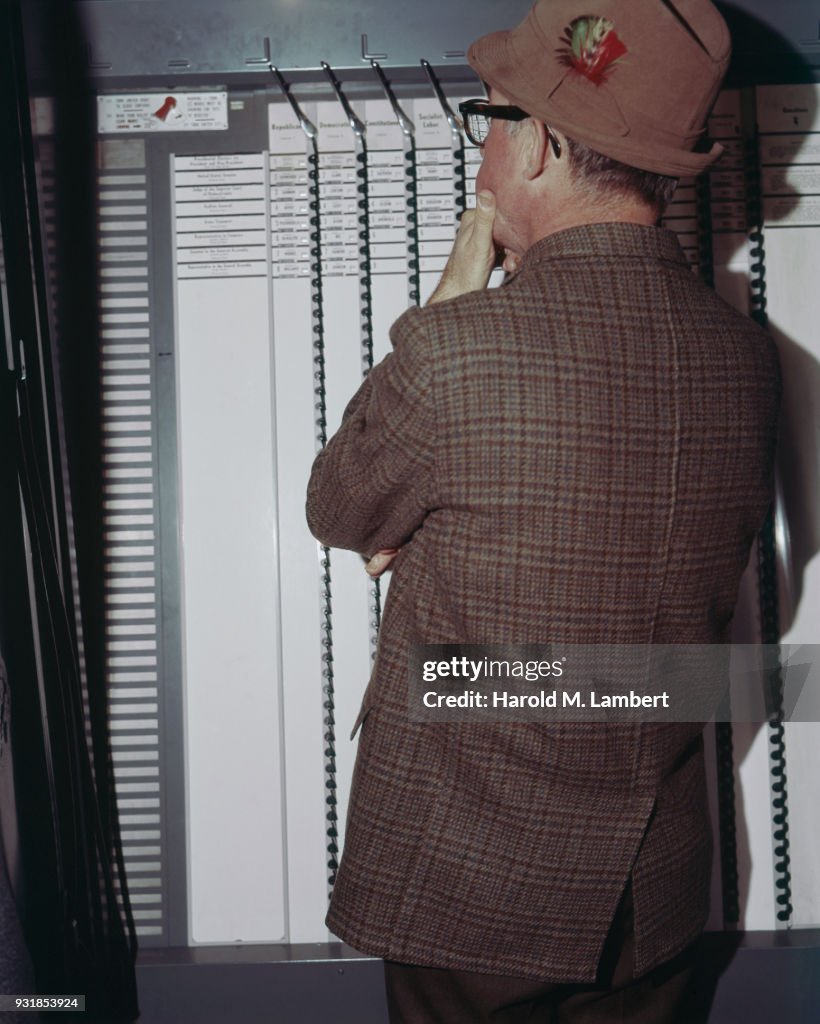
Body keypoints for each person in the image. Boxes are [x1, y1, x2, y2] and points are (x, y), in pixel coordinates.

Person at [306, 1, 780, 1020]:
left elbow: (338, 506)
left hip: (471, 897)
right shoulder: (746, 362)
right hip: (656, 896)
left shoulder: (455, 353)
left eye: (491, 125)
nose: (480, 165)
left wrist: (444, 303)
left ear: (543, 144)